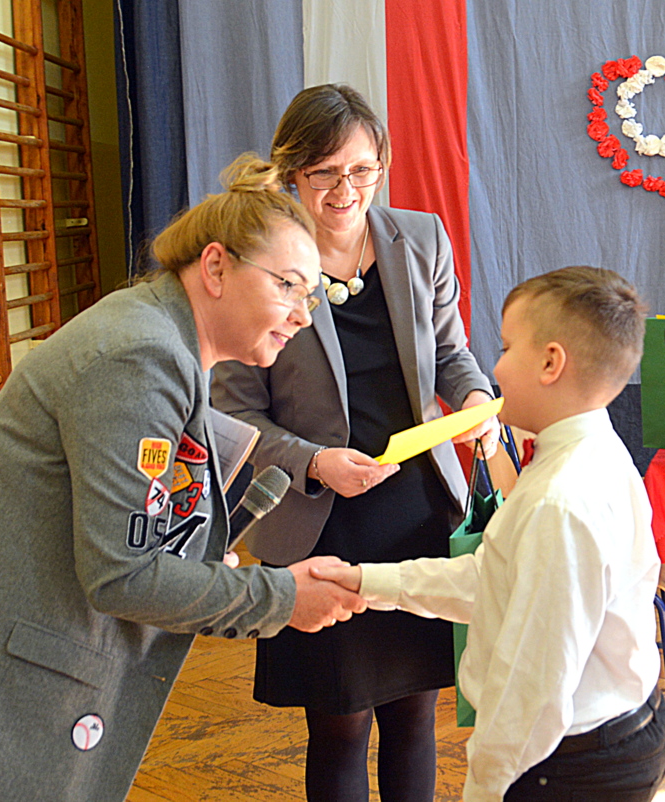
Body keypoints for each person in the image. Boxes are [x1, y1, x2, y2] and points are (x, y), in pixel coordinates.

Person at [0, 154, 367, 802]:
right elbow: (123, 573)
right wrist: (281, 599)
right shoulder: (141, 354)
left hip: (8, 658)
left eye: (311, 295)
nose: (302, 315)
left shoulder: (160, 336)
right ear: (216, 267)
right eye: (288, 286)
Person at [211, 84, 500, 801]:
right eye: (325, 173)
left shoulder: (420, 238)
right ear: (291, 173)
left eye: (363, 170)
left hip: (417, 509)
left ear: (383, 165)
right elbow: (234, 410)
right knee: (339, 724)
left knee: (416, 716)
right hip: (323, 521)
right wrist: (314, 462)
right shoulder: (262, 256)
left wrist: (472, 398)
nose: (346, 190)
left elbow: (451, 353)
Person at [314, 267, 665, 801]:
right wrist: (366, 582)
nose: (495, 368)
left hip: (568, 764)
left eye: (506, 348)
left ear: (551, 362)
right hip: (598, 742)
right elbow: (494, 581)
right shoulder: (587, 451)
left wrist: (484, 788)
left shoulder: (560, 502)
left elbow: (534, 689)